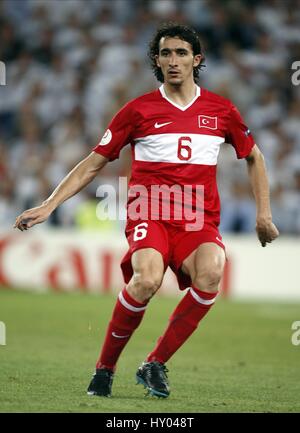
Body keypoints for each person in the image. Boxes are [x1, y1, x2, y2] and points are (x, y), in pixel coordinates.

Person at [14, 23, 279, 399]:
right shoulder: (137, 110)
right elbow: (93, 163)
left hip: (197, 219)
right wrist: (49, 204)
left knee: (212, 273)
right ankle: (104, 369)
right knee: (147, 279)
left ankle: (154, 363)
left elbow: (253, 156)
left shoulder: (221, 111)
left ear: (196, 59)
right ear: (156, 60)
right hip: (148, 212)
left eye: (181, 53)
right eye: (166, 53)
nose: (173, 61)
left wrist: (263, 215)